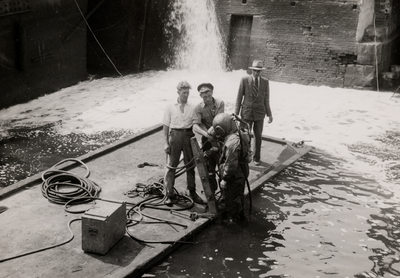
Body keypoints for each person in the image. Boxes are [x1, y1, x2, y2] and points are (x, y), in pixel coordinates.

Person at [162, 81, 204, 205]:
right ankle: (169, 193)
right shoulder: (170, 106)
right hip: (175, 136)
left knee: (190, 165)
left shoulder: (193, 106)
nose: (186, 95)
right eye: (184, 92)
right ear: (178, 92)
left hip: (188, 135)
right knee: (171, 165)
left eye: (188, 92)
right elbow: (165, 125)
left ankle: (192, 191)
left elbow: (197, 123)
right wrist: (165, 143)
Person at [212, 113, 250, 222]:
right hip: (242, 172)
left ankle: (234, 220)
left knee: (232, 198)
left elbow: (231, 165)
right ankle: (239, 213)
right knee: (239, 195)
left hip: (234, 176)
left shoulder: (231, 143)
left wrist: (224, 179)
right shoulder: (241, 132)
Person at [235, 60, 273, 166]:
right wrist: (236, 113)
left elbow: (266, 100)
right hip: (246, 113)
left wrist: (269, 114)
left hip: (260, 113)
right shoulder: (244, 80)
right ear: (252, 70)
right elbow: (239, 97)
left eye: (259, 71)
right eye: (255, 71)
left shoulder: (265, 82)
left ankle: (257, 158)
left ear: (261, 72)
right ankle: (243, 157)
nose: (257, 73)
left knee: (258, 136)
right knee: (244, 136)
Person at [193, 83, 225, 193]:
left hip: (220, 138)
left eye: (208, 96)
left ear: (212, 93)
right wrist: (206, 134)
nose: (207, 99)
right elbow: (195, 126)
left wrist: (211, 133)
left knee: (223, 167)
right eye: (204, 97)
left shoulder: (220, 103)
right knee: (209, 168)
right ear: (200, 96)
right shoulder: (198, 108)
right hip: (207, 140)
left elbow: (218, 121)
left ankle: (224, 192)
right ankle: (212, 191)